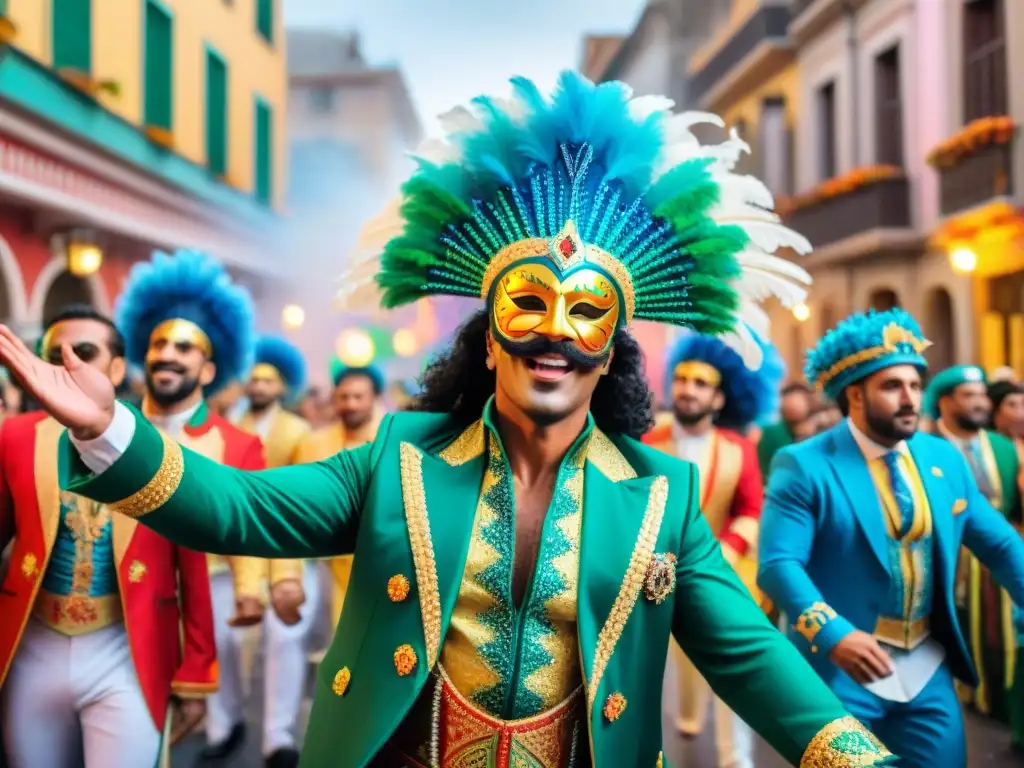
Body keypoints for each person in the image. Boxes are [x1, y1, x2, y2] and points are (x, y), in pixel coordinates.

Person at [0, 73, 894, 767]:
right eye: (529, 306)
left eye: (585, 316)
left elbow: (748, 657)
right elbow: (238, 509)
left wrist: (854, 754)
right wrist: (106, 429)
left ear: (614, 346)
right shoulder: (399, 456)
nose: (554, 334)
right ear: (487, 338)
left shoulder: (662, 495)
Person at [758, 308, 1024, 767]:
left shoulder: (942, 458)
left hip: (926, 664)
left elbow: (999, 544)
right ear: (855, 394)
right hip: (837, 670)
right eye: (892, 386)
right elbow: (779, 565)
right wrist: (833, 633)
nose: (909, 398)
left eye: (916, 385)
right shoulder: (803, 464)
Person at [0, 304, 217, 768]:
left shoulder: (164, 447)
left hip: (126, 651)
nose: (65, 366)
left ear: (118, 368)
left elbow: (192, 566)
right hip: (33, 645)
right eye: (51, 354)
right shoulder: (13, 437)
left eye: (83, 352)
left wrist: (196, 674)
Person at [107, 250, 278, 764]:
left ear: (208, 369)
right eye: (159, 343)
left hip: (216, 589)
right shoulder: (110, 430)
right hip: (122, 594)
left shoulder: (240, 445)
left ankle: (223, 736)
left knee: (209, 704)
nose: (167, 355)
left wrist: (250, 590)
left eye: (185, 347)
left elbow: (251, 524)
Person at [644, 331, 783, 768]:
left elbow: (751, 508)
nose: (687, 388)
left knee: (731, 670)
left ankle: (735, 760)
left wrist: (728, 546)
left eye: (700, 382)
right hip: (655, 576)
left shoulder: (739, 450)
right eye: (682, 379)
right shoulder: (647, 443)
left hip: (724, 575)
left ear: (720, 398)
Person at [923, 365, 1023, 747]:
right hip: (951, 559)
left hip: (1000, 552)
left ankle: (1002, 704)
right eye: (969, 395)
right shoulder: (926, 445)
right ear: (945, 402)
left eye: (983, 395)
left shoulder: (1001, 446)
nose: (981, 402)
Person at [234, 336, 315, 768]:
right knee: (230, 638)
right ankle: (224, 724)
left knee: (286, 638)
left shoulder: (298, 432)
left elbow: (304, 492)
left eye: (268, 380)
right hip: (241, 543)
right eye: (254, 378)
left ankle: (277, 736)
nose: (259, 385)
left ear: (283, 387)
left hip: (289, 543)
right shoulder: (230, 425)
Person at [301, 357, 386, 632]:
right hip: (325, 564)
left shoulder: (392, 442)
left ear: (374, 397)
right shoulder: (313, 444)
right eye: (344, 396)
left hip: (379, 563)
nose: (351, 404)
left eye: (358, 396)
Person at [757, 381, 813, 480]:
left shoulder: (818, 432)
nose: (794, 407)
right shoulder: (771, 433)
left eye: (799, 402)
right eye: (790, 402)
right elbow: (763, 469)